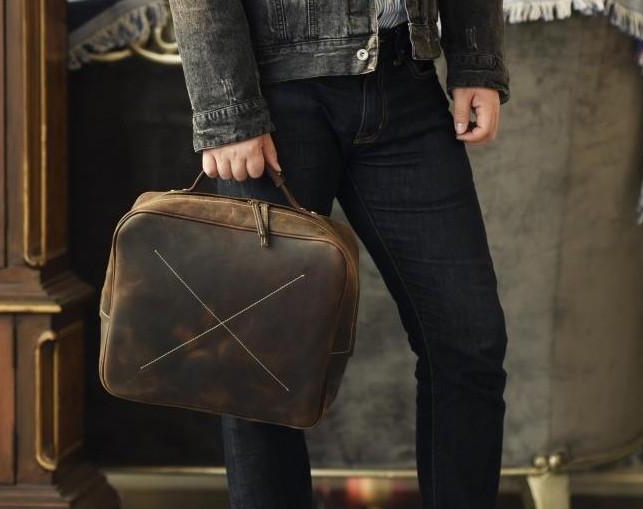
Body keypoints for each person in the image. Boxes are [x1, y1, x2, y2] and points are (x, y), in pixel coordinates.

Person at [167, 1, 510, 508]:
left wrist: (476, 58)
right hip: (276, 93)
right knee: (258, 364)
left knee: (469, 341)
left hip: (405, 79)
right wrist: (228, 109)